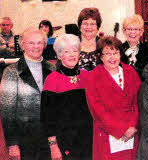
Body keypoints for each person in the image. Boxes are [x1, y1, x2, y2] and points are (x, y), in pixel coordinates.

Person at [0, 29, 56, 159]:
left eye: (39, 43)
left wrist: (54, 141)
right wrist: (12, 144)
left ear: (44, 45)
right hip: (23, 139)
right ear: (23, 45)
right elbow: (7, 111)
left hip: (48, 137)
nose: (36, 47)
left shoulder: (52, 69)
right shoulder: (11, 71)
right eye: (31, 43)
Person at [86, 36, 141, 160]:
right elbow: (97, 110)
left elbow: (138, 102)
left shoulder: (130, 72)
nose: (112, 57)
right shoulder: (93, 77)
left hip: (132, 132)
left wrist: (133, 126)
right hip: (107, 133)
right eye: (108, 54)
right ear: (100, 56)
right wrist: (121, 129)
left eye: (115, 53)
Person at [41, 34, 93, 159]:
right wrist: (53, 146)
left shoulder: (87, 77)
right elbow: (47, 117)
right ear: (59, 55)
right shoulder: (52, 79)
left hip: (88, 140)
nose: (72, 54)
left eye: (75, 51)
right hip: (64, 142)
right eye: (66, 51)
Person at [121, 14, 148, 81]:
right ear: (124, 31)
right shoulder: (118, 51)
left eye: (136, 29)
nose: (133, 32)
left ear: (141, 32)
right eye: (129, 29)